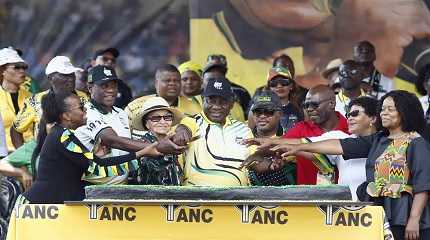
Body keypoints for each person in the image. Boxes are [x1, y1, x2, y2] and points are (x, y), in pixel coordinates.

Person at [277, 90, 430, 240]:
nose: (383, 113)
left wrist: (414, 219)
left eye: (390, 109)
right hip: (379, 213)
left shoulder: (416, 142)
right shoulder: (379, 139)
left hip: (405, 215)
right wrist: (301, 147)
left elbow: (422, 185)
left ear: (405, 112)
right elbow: (341, 145)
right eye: (382, 109)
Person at [20, 91, 159, 204]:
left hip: (46, 204)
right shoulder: (63, 136)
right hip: (37, 207)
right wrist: (141, 154)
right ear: (66, 116)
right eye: (81, 107)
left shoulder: (62, 133)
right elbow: (100, 169)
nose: (86, 109)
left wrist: (95, 157)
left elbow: (77, 167)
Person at [173, 77, 254, 186]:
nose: (216, 106)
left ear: (231, 104)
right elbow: (183, 127)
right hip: (197, 199)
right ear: (202, 100)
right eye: (211, 100)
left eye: (223, 101)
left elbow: (255, 161)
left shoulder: (243, 129)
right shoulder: (192, 122)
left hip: (237, 199)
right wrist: (181, 130)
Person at [11, 56, 88, 149]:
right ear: (51, 78)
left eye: (72, 74)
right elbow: (16, 129)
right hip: (46, 157)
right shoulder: (35, 101)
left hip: (80, 155)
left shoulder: (84, 97)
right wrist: (23, 156)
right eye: (64, 75)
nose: (71, 78)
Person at [284, 85, 348, 185]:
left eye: (314, 104)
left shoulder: (350, 129)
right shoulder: (300, 129)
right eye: (306, 105)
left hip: (345, 197)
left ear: (332, 104)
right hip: (307, 198)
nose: (309, 109)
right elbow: (280, 145)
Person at [126, 64, 202, 135]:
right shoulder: (135, 107)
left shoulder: (195, 107)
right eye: (167, 80)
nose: (172, 84)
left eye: (176, 81)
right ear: (156, 83)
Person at [129, 96, 184, 185]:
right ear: (146, 124)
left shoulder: (174, 143)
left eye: (167, 117)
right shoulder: (140, 145)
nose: (163, 122)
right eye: (156, 118)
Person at [246, 90, 296, 186]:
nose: (262, 116)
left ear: (280, 114)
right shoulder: (242, 134)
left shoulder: (290, 139)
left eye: (268, 112)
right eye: (258, 112)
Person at [0, 47, 32, 152]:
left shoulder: (32, 97)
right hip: (4, 157)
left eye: (24, 67)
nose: (22, 71)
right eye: (17, 67)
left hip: (32, 154)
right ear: (3, 70)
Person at [203, 54, 250, 120]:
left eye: (219, 70)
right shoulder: (201, 91)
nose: (216, 72)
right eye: (211, 69)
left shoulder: (240, 91)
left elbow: (248, 117)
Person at [266, 66, 304, 134]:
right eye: (274, 83)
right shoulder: (260, 110)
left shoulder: (300, 110)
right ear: (269, 88)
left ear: (291, 86)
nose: (279, 86)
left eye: (284, 82)